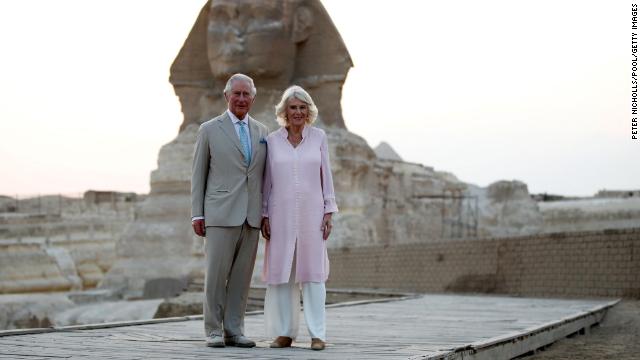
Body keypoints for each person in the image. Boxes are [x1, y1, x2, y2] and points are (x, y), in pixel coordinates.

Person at [191, 73, 269, 348]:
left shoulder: (262, 132)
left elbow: (263, 177)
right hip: (220, 213)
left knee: (241, 278)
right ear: (226, 96)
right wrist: (197, 214)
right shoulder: (209, 129)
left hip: (251, 215)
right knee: (215, 275)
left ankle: (234, 330)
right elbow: (198, 174)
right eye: (236, 93)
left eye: (246, 94)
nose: (241, 98)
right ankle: (213, 330)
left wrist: (266, 212)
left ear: (253, 98)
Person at [261, 86, 338, 351]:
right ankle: (284, 333)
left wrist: (329, 210)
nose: (298, 112)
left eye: (302, 107)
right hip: (279, 214)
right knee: (282, 273)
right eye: (293, 107)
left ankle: (318, 334)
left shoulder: (319, 138)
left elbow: (325, 176)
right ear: (284, 111)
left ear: (309, 111)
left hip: (313, 214)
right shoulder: (272, 140)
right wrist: (264, 214)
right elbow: (266, 182)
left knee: (313, 275)